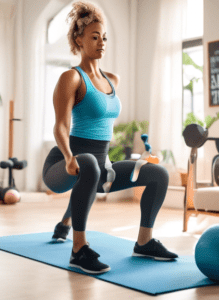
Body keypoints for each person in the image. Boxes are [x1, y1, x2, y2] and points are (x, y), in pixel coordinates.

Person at [42, 0, 178, 275]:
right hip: (62, 165)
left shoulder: (112, 79)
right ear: (78, 39)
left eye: (104, 37)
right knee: (89, 164)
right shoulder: (71, 78)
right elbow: (59, 126)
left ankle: (144, 241)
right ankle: (79, 249)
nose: (102, 42)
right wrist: (69, 157)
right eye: (94, 37)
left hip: (100, 166)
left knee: (157, 173)